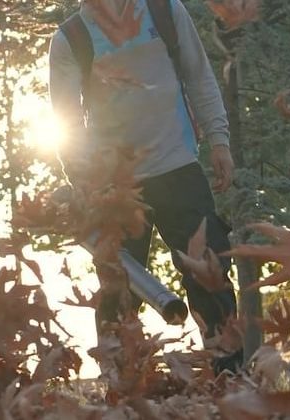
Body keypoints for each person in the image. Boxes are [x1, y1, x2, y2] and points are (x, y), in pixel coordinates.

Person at [49, 0, 242, 373]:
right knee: (118, 295)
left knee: (211, 274)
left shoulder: (165, 12)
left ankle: (231, 382)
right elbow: (67, 122)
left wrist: (219, 140)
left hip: (178, 169)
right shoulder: (71, 38)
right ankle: (123, 391)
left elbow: (198, 75)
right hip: (114, 188)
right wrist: (86, 184)